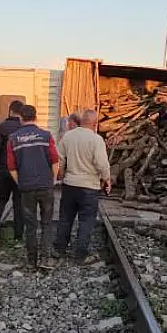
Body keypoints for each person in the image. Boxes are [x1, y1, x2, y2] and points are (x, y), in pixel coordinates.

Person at [6, 104, 60, 270]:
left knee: (30, 224)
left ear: (20, 118)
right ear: (35, 117)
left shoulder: (13, 138)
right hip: (45, 186)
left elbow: (11, 167)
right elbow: (55, 160)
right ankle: (45, 258)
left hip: (27, 187)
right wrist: (52, 179)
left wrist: (20, 182)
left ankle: (31, 260)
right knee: (46, 223)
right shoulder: (46, 135)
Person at [54, 109, 111, 263]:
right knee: (86, 221)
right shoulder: (96, 140)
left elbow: (60, 159)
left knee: (65, 218)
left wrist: (62, 174)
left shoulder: (68, 136)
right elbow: (102, 164)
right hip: (89, 188)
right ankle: (80, 255)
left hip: (70, 185)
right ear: (94, 123)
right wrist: (107, 179)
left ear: (82, 120)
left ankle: (59, 249)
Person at [0, 100, 25, 241]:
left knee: (1, 199)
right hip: (20, 173)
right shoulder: (24, 128)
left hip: (3, 170)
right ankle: (18, 235)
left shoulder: (2, 127)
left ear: (10, 111)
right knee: (19, 203)